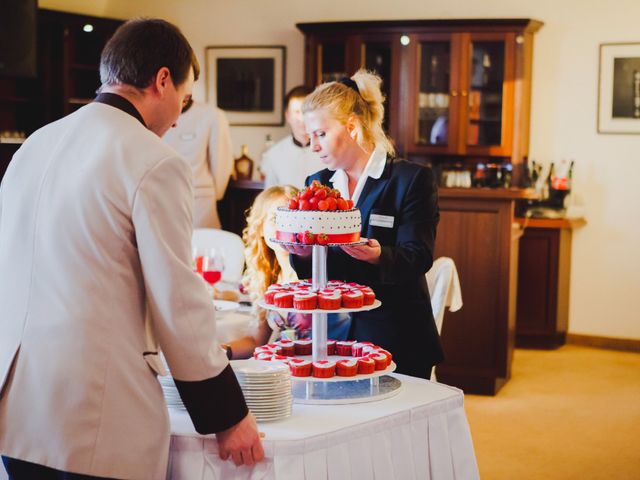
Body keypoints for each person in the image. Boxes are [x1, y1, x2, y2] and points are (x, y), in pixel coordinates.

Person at [0, 19, 263, 480]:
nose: (180, 117)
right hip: (93, 413)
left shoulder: (33, 145)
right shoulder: (154, 160)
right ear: (162, 80)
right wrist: (228, 416)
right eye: (183, 98)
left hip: (19, 403)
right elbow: (178, 302)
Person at [287, 69, 443, 379]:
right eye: (310, 136)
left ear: (352, 127)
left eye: (320, 134)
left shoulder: (410, 180)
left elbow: (418, 255)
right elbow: (312, 266)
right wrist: (302, 253)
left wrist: (378, 255)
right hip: (330, 335)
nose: (313, 146)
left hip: (395, 333)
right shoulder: (316, 184)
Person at [223, 185, 351, 359]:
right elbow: (256, 341)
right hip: (278, 369)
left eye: (292, 218)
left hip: (321, 369)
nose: (285, 226)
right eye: (276, 218)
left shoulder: (319, 274)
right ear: (260, 228)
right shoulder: (269, 277)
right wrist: (220, 351)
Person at [163, 99, 234, 228]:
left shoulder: (212, 116)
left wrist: (214, 193)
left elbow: (221, 165)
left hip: (199, 206)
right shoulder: (156, 114)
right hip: (162, 203)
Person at [261, 86, 325, 188]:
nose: (302, 119)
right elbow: (270, 196)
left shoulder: (329, 151)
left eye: (306, 112)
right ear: (287, 116)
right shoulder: (274, 155)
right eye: (297, 112)